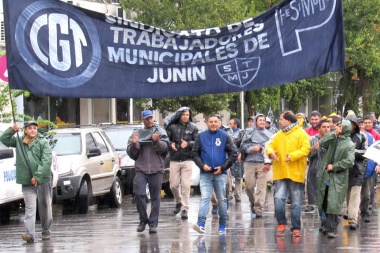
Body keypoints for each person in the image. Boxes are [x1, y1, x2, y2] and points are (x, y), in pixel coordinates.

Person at [0, 121, 52, 243]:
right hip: (27, 182)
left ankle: (46, 231)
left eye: (34, 128)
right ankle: (30, 234)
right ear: (25, 130)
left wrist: (37, 177)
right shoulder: (19, 142)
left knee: (45, 208)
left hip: (43, 181)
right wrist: (12, 130)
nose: (33, 130)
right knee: (30, 208)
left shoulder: (43, 143)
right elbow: (4, 139)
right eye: (30, 128)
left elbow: (46, 161)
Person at [266, 110, 310, 238]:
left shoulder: (301, 134)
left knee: (296, 201)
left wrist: (292, 156)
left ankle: (296, 227)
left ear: (288, 121)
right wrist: (270, 153)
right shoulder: (278, 134)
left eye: (281, 119)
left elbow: (305, 149)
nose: (279, 121)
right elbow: (270, 146)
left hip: (296, 172)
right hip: (280, 171)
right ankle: (281, 223)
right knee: (279, 198)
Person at [192, 114, 238, 234]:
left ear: (219, 123)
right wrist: (202, 166)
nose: (213, 124)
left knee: (222, 200)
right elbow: (194, 153)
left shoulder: (225, 136)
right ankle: (200, 223)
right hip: (205, 173)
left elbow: (234, 153)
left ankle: (222, 224)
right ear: (207, 123)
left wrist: (223, 167)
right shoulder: (201, 136)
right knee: (205, 197)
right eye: (210, 121)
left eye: (215, 122)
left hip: (220, 174)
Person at [127, 110, 170, 233]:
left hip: (156, 169)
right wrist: (134, 144)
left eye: (151, 118)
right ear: (143, 120)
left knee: (155, 197)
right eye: (147, 119)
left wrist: (156, 141)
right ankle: (143, 219)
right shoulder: (137, 133)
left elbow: (164, 150)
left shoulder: (160, 131)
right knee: (139, 194)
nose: (149, 121)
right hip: (141, 169)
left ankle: (153, 223)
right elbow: (133, 154)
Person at [317, 120, 355, 238]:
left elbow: (349, 161)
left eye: (341, 126)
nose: (338, 127)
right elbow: (322, 143)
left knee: (333, 202)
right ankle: (331, 223)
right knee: (323, 201)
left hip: (338, 177)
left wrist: (334, 166)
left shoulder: (349, 144)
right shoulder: (333, 139)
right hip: (325, 175)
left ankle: (331, 228)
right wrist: (333, 134)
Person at [166, 107, 198, 219]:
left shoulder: (193, 127)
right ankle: (178, 201)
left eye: (187, 115)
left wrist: (188, 144)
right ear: (179, 115)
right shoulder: (172, 126)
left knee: (185, 185)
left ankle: (185, 208)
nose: (185, 116)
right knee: (173, 185)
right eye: (183, 114)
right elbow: (166, 139)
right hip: (174, 159)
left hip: (187, 159)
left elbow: (197, 142)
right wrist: (171, 145)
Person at [240, 114, 273, 218]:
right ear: (255, 121)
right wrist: (251, 148)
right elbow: (243, 146)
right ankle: (253, 203)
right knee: (249, 187)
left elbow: (273, 146)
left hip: (262, 163)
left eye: (264, 120)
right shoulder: (248, 132)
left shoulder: (269, 134)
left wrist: (265, 149)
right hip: (249, 162)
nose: (262, 122)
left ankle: (259, 208)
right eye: (260, 120)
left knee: (261, 187)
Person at [344, 114, 368, 230]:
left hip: (357, 170)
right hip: (344, 169)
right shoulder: (341, 136)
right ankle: (350, 215)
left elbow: (365, 152)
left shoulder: (362, 136)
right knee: (348, 196)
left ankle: (353, 219)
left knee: (355, 195)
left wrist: (352, 151)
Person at [305, 119, 330, 215]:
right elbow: (307, 154)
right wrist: (313, 149)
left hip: (327, 170)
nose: (326, 129)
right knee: (313, 189)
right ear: (319, 128)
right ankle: (312, 205)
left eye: (328, 127)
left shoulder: (332, 140)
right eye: (324, 127)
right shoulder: (312, 139)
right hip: (314, 168)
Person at [228, 118, 244, 202]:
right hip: (228, 156)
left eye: (230, 124)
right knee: (229, 176)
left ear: (235, 125)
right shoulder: (227, 132)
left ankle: (238, 194)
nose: (229, 125)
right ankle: (229, 193)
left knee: (239, 176)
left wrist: (242, 154)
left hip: (238, 156)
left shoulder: (242, 132)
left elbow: (242, 144)